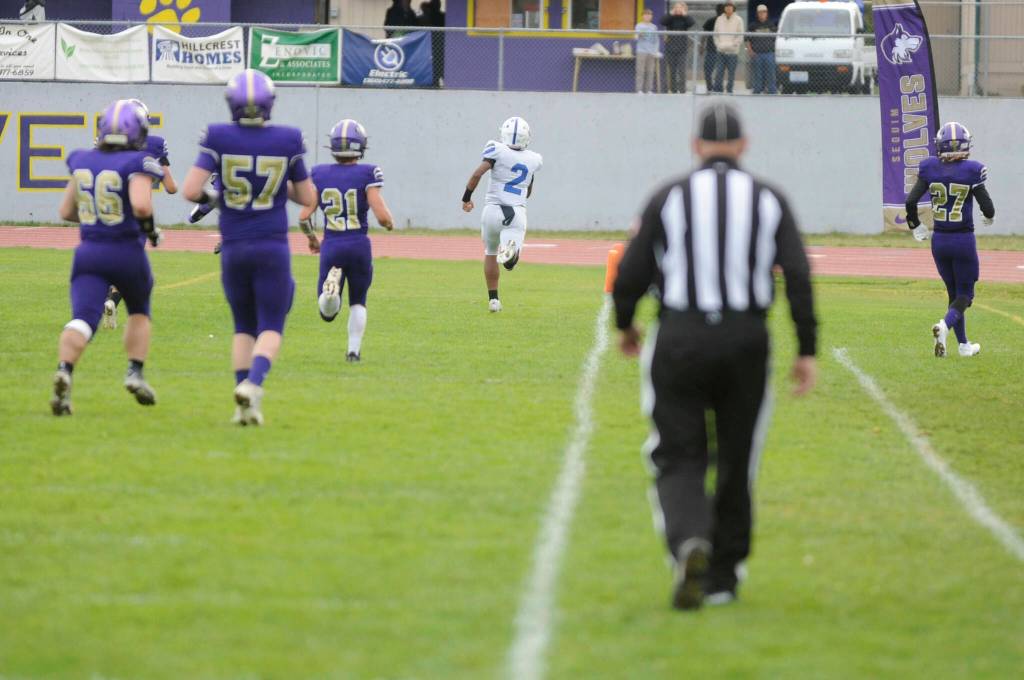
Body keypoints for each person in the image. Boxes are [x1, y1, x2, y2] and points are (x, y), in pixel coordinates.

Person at [612, 102, 817, 610]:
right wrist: (806, 347)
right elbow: (797, 272)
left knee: (677, 452)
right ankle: (723, 577)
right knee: (736, 455)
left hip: (680, 334)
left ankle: (688, 540)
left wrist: (625, 323)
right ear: (743, 145)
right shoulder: (768, 197)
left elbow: (632, 269)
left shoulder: (669, 195)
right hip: (746, 338)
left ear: (696, 146)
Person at [182, 69, 317, 426]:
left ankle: (243, 405)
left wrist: (220, 197)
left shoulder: (218, 136)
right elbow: (307, 197)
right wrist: (276, 186)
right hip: (271, 245)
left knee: (243, 326)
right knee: (271, 323)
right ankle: (253, 384)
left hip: (234, 245)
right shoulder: (287, 139)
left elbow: (191, 190)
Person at [50, 99, 165, 416]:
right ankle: (135, 371)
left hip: (88, 253)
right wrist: (151, 232)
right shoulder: (139, 161)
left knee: (83, 319)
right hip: (126, 251)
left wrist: (96, 218)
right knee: (139, 312)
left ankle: (64, 371)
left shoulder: (82, 159)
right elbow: (141, 205)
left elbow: (66, 211)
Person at [299, 119, 395, 363]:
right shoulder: (368, 173)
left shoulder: (319, 174)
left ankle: (331, 294)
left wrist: (312, 239)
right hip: (359, 245)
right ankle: (353, 352)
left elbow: (303, 217)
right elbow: (382, 216)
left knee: (327, 313)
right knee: (358, 301)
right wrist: (389, 224)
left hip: (332, 244)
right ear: (360, 145)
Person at [905, 122, 995, 358]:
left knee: (954, 294)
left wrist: (915, 224)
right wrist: (989, 216)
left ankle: (964, 345)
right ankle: (944, 326)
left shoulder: (930, 167)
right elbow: (987, 207)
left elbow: (911, 201)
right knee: (965, 295)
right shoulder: (972, 170)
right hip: (962, 240)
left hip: (940, 241)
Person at [103, 98, 177, 331]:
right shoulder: (154, 144)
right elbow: (171, 187)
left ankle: (102, 300)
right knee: (136, 271)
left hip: (106, 213)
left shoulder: (103, 144)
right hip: (136, 215)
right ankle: (116, 302)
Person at [461, 117, 543, 313]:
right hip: (515, 213)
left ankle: (494, 300)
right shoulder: (533, 159)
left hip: (491, 211)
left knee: (490, 251)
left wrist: (466, 198)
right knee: (509, 259)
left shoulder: (495, 149)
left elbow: (477, 174)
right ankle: (509, 257)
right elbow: (528, 192)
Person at [660, 2, 695, 94]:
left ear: (683, 9)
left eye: (680, 7)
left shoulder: (685, 18)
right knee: (672, 71)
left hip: (682, 49)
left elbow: (691, 23)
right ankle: (673, 89)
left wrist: (685, 15)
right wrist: (671, 14)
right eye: (676, 7)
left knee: (682, 70)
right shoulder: (670, 18)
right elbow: (662, 21)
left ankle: (682, 90)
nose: (678, 9)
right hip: (670, 48)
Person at [713, 1, 743, 94]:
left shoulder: (738, 19)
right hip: (721, 51)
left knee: (731, 73)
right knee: (719, 72)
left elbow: (740, 35)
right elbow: (715, 35)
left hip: (733, 52)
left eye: (730, 6)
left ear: (733, 8)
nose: (728, 8)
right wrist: (718, 45)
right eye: (727, 6)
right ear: (724, 8)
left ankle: (729, 90)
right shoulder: (719, 19)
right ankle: (718, 90)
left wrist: (733, 45)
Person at [747, 5, 777, 95]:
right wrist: (750, 50)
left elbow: (776, 39)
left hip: (769, 54)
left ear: (767, 13)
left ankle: (772, 91)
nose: (762, 14)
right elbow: (747, 39)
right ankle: (757, 90)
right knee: (757, 74)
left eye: (764, 12)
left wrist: (774, 51)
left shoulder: (771, 24)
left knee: (771, 74)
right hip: (757, 54)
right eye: (760, 12)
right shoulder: (752, 26)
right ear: (757, 14)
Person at [419, 0, 446, 86]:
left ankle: (436, 81)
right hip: (433, 44)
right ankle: (436, 81)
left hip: (437, 44)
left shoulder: (440, 16)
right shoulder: (427, 17)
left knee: (437, 63)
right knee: (436, 63)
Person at [635, 8, 660, 94]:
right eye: (645, 15)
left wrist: (656, 51)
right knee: (640, 71)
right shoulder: (639, 26)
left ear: (651, 16)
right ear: (642, 16)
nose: (647, 16)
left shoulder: (654, 27)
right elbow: (636, 37)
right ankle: (639, 90)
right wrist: (639, 34)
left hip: (651, 52)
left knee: (650, 71)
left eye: (649, 15)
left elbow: (656, 40)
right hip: (641, 51)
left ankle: (649, 90)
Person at [702, 4, 725, 92]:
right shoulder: (711, 21)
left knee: (719, 70)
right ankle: (710, 87)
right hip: (711, 49)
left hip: (722, 50)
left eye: (721, 10)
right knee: (708, 69)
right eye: (719, 10)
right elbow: (704, 35)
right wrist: (702, 46)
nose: (720, 12)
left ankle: (718, 87)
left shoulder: (725, 22)